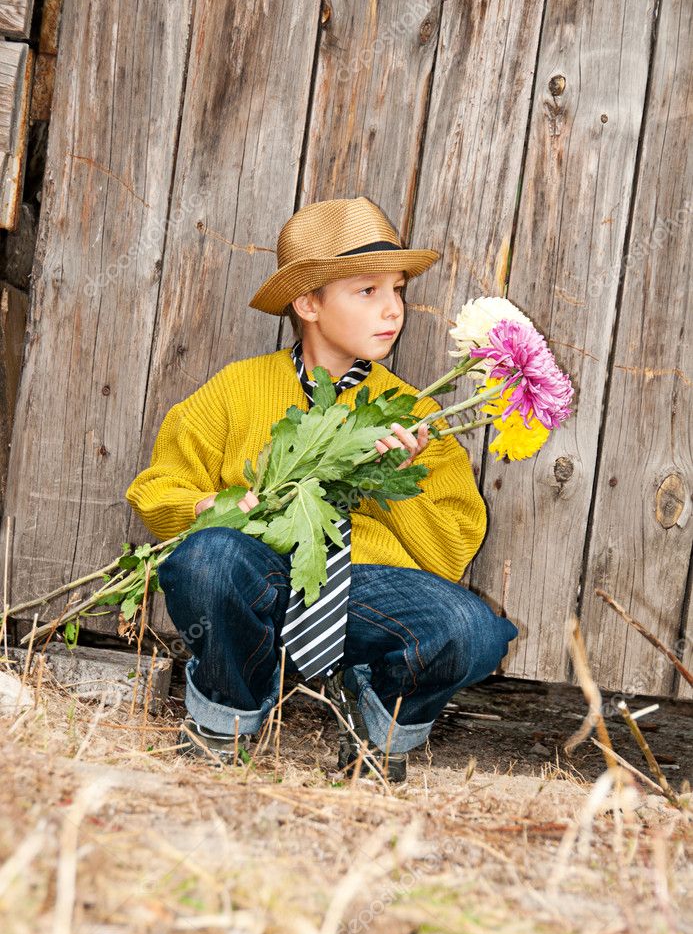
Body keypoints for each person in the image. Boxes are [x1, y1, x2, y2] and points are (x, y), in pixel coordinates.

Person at [124, 196, 519, 783]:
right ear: (308, 303)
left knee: (473, 631)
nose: (393, 310)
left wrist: (396, 485)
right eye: (368, 292)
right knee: (206, 560)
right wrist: (213, 507)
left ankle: (377, 725)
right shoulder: (239, 388)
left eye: (398, 291)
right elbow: (157, 487)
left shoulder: (415, 415)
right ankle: (225, 717)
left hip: (362, 588)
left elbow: (452, 548)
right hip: (257, 576)